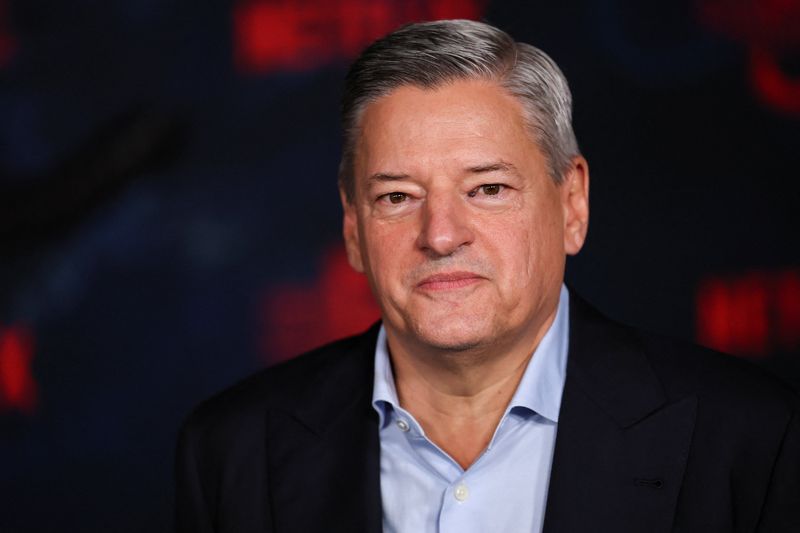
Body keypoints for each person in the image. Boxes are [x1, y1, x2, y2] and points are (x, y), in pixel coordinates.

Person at [175, 19, 799, 533]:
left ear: (572, 205)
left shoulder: (748, 440)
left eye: (488, 188)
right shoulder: (233, 453)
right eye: (397, 197)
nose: (441, 235)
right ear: (353, 227)